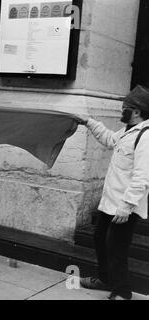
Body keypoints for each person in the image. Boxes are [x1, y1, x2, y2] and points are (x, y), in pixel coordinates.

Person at [76, 85, 149, 300]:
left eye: (125, 107)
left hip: (125, 205)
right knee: (100, 238)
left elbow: (142, 176)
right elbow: (109, 139)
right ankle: (105, 279)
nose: (121, 110)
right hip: (111, 202)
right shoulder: (127, 131)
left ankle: (122, 291)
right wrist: (88, 122)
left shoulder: (146, 136)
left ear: (136, 111)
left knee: (116, 248)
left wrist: (127, 206)